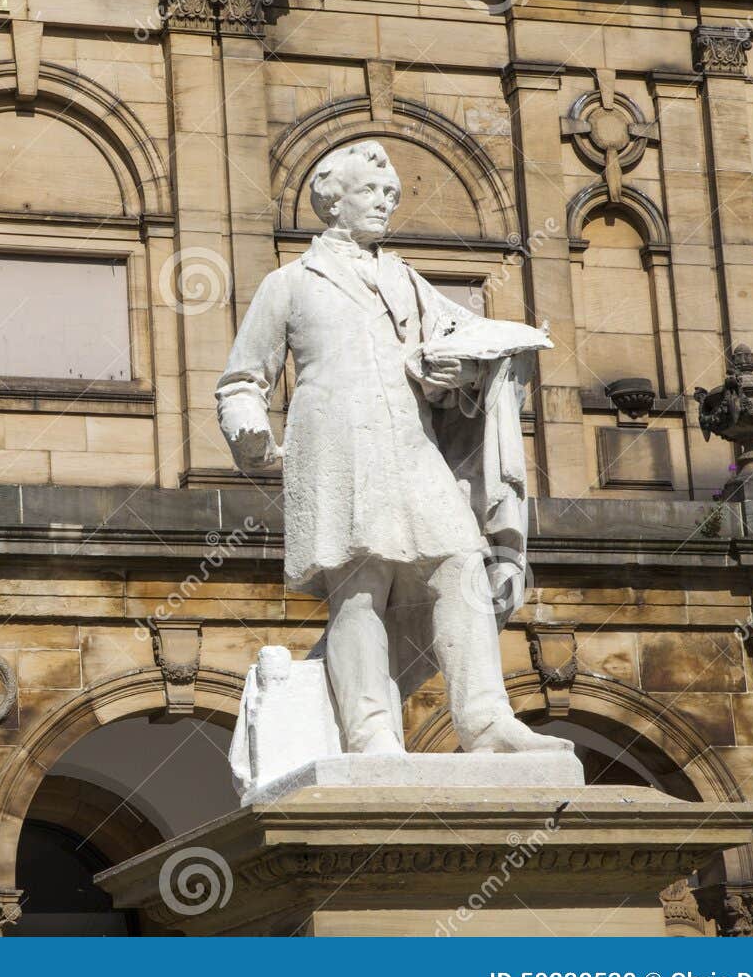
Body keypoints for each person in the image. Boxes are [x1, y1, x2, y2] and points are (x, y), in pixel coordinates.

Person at [217, 140, 570, 756]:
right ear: (333, 199)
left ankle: (485, 721)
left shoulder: (407, 280)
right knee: (360, 585)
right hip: (336, 452)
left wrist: (467, 369)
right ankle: (371, 733)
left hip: (411, 448)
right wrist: (249, 432)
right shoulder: (290, 284)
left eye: (391, 196)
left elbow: (459, 342)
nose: (385, 204)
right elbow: (243, 379)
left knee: (461, 562)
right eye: (371, 193)